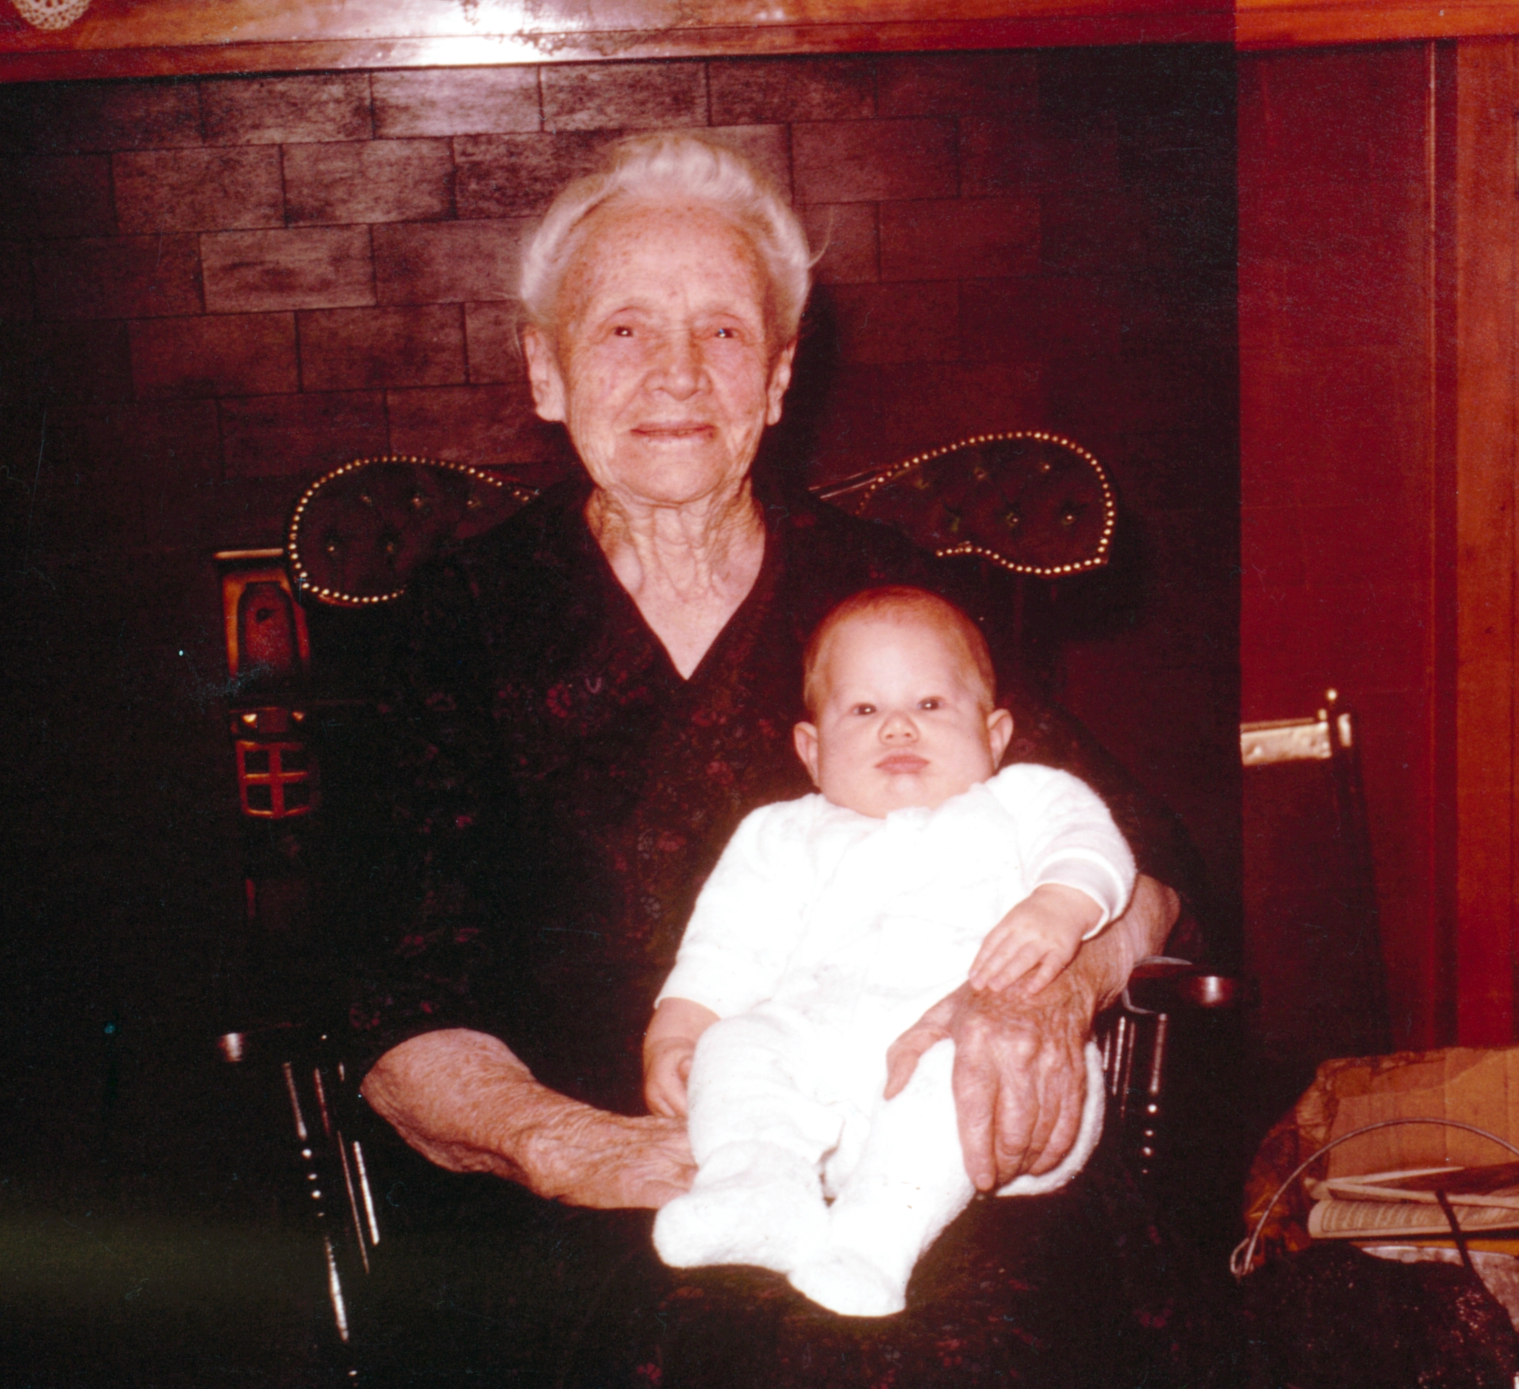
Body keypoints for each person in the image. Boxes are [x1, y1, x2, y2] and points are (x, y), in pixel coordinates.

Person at [335, 130, 1207, 1384]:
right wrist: (579, 1149)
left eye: (723, 331)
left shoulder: (886, 597)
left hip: (921, 1138)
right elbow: (391, 999)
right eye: (623, 329)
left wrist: (1047, 996)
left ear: (779, 377)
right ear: (546, 371)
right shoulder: (460, 621)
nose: (677, 373)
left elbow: (1146, 859)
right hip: (578, 1187)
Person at [645, 587, 1134, 1318]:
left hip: (985, 1087)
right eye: (864, 709)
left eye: (930, 704)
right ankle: (759, 1189)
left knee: (957, 1067)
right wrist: (677, 1033)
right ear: (812, 750)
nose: (898, 726)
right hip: (820, 1073)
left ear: (995, 734)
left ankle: (874, 1242)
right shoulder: (780, 834)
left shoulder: (1021, 799)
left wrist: (1059, 905)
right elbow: (725, 944)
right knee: (738, 1044)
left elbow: (1092, 845)